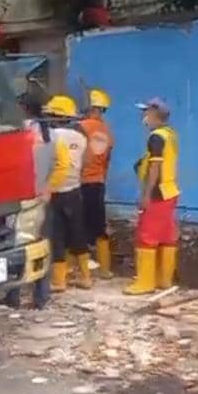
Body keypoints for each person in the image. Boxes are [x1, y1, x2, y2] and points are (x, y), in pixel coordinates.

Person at [3, 87, 61, 309]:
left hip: (20, 198)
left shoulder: (18, 132)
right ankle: (41, 296)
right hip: (43, 197)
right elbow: (58, 164)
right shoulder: (52, 134)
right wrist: (47, 187)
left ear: (23, 108)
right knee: (42, 244)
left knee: (16, 244)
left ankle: (13, 296)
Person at [125, 97, 180, 296]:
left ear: (155, 114)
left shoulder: (156, 137)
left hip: (157, 194)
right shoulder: (170, 134)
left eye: (146, 112)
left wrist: (146, 195)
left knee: (146, 236)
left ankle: (145, 282)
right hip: (170, 190)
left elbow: (155, 167)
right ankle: (164, 280)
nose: (144, 117)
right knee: (166, 236)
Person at [42, 95, 90, 292]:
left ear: (55, 116)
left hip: (55, 191)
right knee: (78, 233)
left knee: (57, 236)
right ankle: (86, 277)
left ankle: (59, 281)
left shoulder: (52, 136)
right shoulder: (81, 137)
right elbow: (85, 161)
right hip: (74, 190)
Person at [79, 88, 114, 280]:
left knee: (77, 227)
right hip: (98, 183)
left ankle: (76, 270)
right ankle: (105, 269)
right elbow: (107, 160)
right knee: (99, 227)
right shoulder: (106, 131)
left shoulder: (80, 127)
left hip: (80, 183)